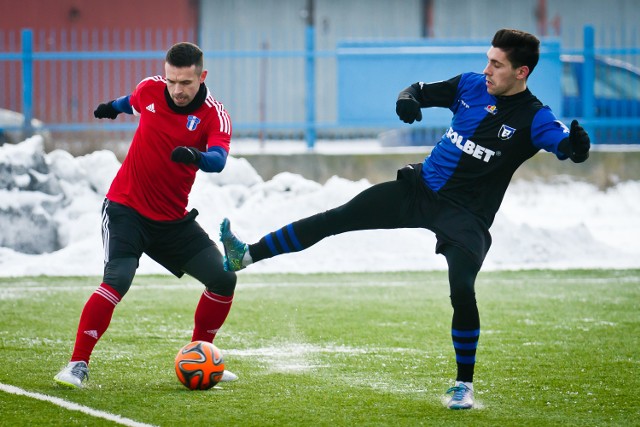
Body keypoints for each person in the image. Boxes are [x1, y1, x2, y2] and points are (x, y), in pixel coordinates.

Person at [218, 29, 590, 409]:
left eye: (497, 64)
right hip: (419, 190)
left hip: (466, 217)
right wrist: (408, 101)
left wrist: (575, 147)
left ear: (522, 72)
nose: (487, 69)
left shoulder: (535, 117)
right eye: (488, 59)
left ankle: (464, 385)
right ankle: (245, 255)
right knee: (337, 217)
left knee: (462, 288)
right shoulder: (470, 84)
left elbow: (564, 145)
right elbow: (415, 90)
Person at [54, 42, 238, 389]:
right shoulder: (151, 88)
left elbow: (218, 159)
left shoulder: (215, 114)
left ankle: (201, 352)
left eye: (185, 82)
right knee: (118, 279)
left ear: (202, 76)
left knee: (224, 278)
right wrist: (112, 107)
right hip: (127, 209)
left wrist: (194, 156)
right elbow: (132, 100)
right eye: (172, 81)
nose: (177, 90)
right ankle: (77, 364)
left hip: (172, 220)